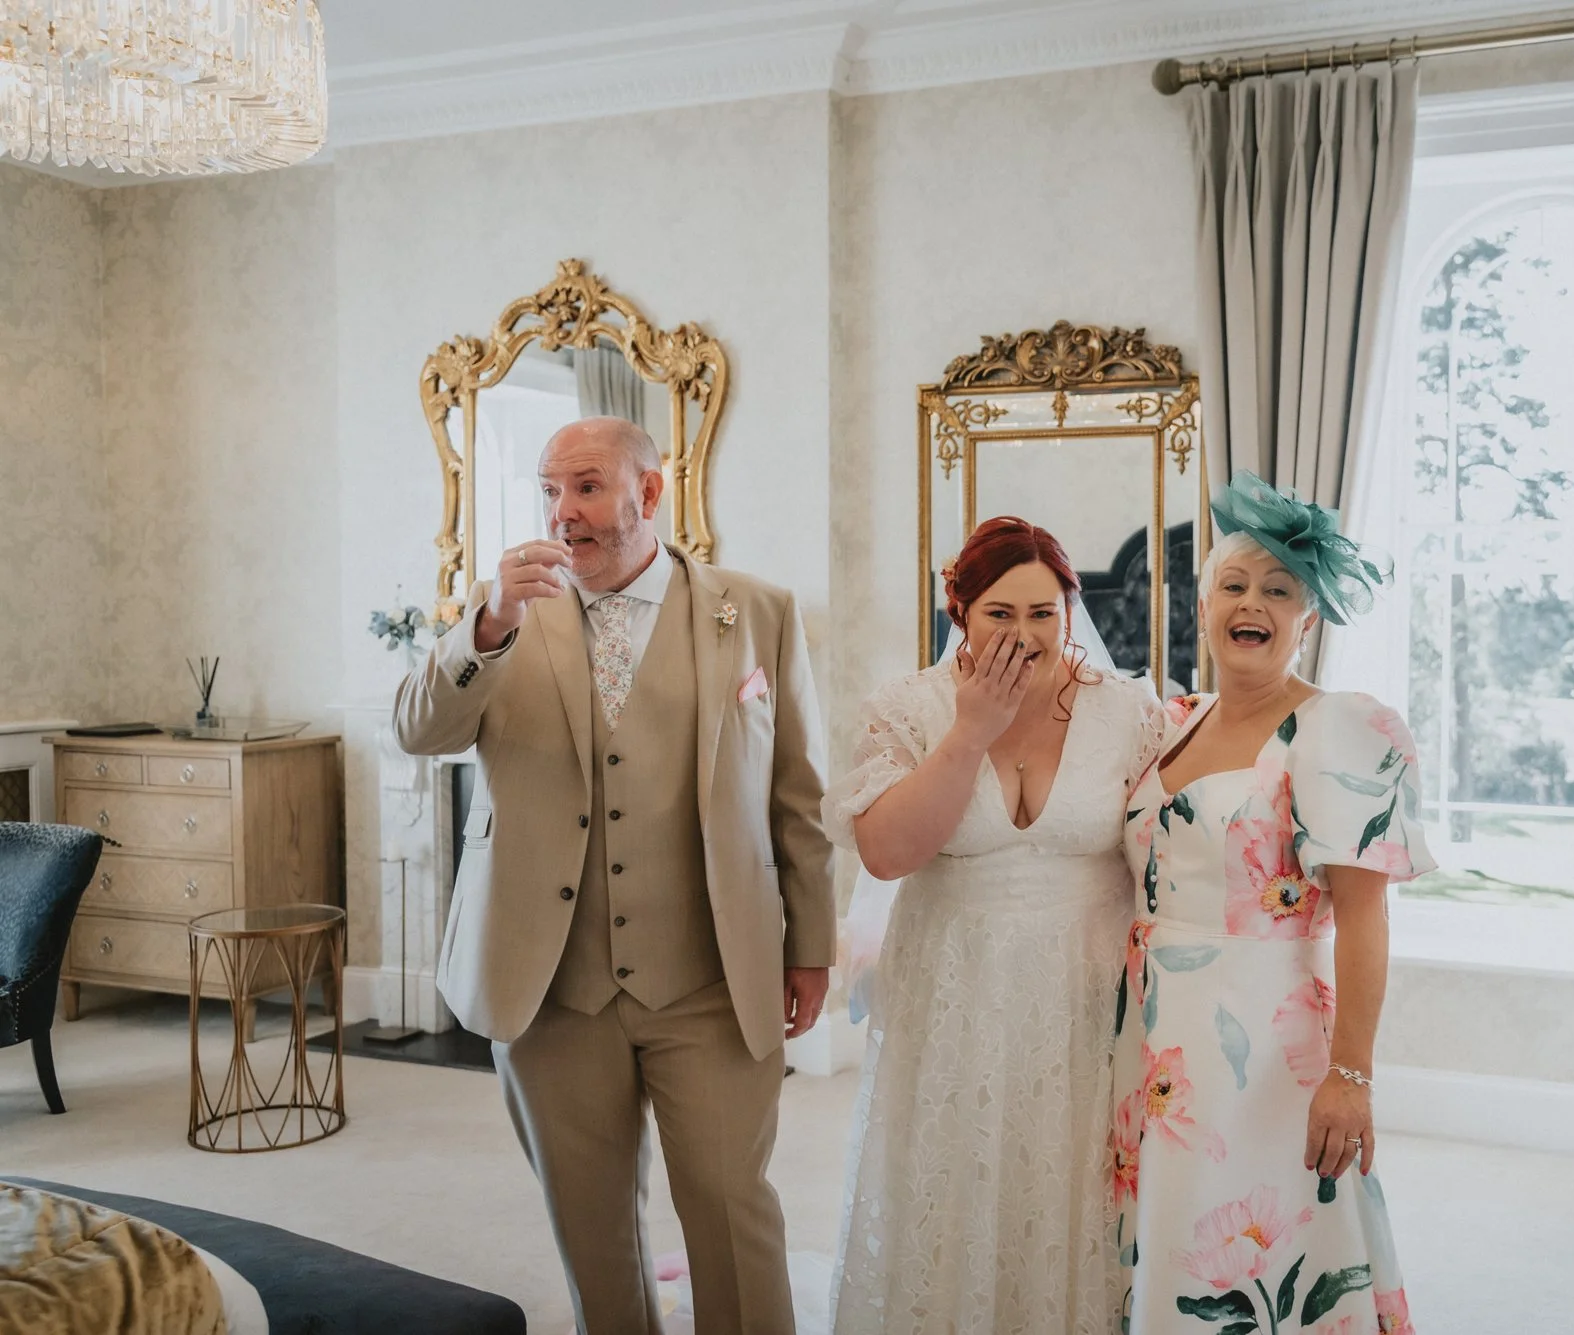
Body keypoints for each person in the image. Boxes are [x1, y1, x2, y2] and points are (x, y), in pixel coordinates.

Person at [395, 416, 835, 1335]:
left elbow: (798, 796)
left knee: (731, 1211)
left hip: (711, 976)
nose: (565, 513)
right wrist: (487, 627)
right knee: (592, 1231)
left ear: (651, 490)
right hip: (550, 984)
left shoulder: (756, 610)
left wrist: (813, 945)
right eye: (551, 490)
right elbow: (418, 730)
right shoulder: (499, 617)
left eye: (587, 487)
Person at [824, 517, 1165, 1334]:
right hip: (954, 993)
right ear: (960, 614)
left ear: (1070, 612)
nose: (1023, 633)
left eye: (1043, 613)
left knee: (1072, 1193)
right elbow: (887, 853)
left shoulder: (1129, 711)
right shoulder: (909, 707)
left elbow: (1163, 857)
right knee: (956, 1185)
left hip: (1086, 1000)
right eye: (1000, 613)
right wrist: (969, 732)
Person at [1114, 472, 1434, 1334]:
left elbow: (1367, 917)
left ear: (1309, 619)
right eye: (1234, 584)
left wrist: (1352, 1075)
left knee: (1257, 1250)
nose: (1252, 603)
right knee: (1164, 1249)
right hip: (1148, 1043)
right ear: (1205, 601)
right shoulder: (1174, 719)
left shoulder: (1336, 729)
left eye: (1279, 590)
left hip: (1263, 1048)